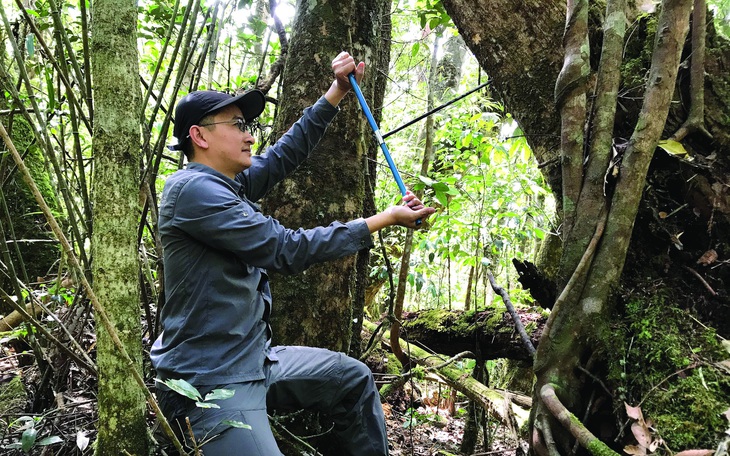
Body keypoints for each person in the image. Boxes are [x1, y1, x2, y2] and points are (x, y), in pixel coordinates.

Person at [150, 51, 435, 455]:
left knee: (351, 380)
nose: (249, 135)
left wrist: (336, 91)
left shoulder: (228, 185)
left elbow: (284, 154)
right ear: (200, 136)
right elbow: (285, 249)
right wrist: (383, 218)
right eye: (237, 125)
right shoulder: (193, 191)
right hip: (209, 380)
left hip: (255, 361)